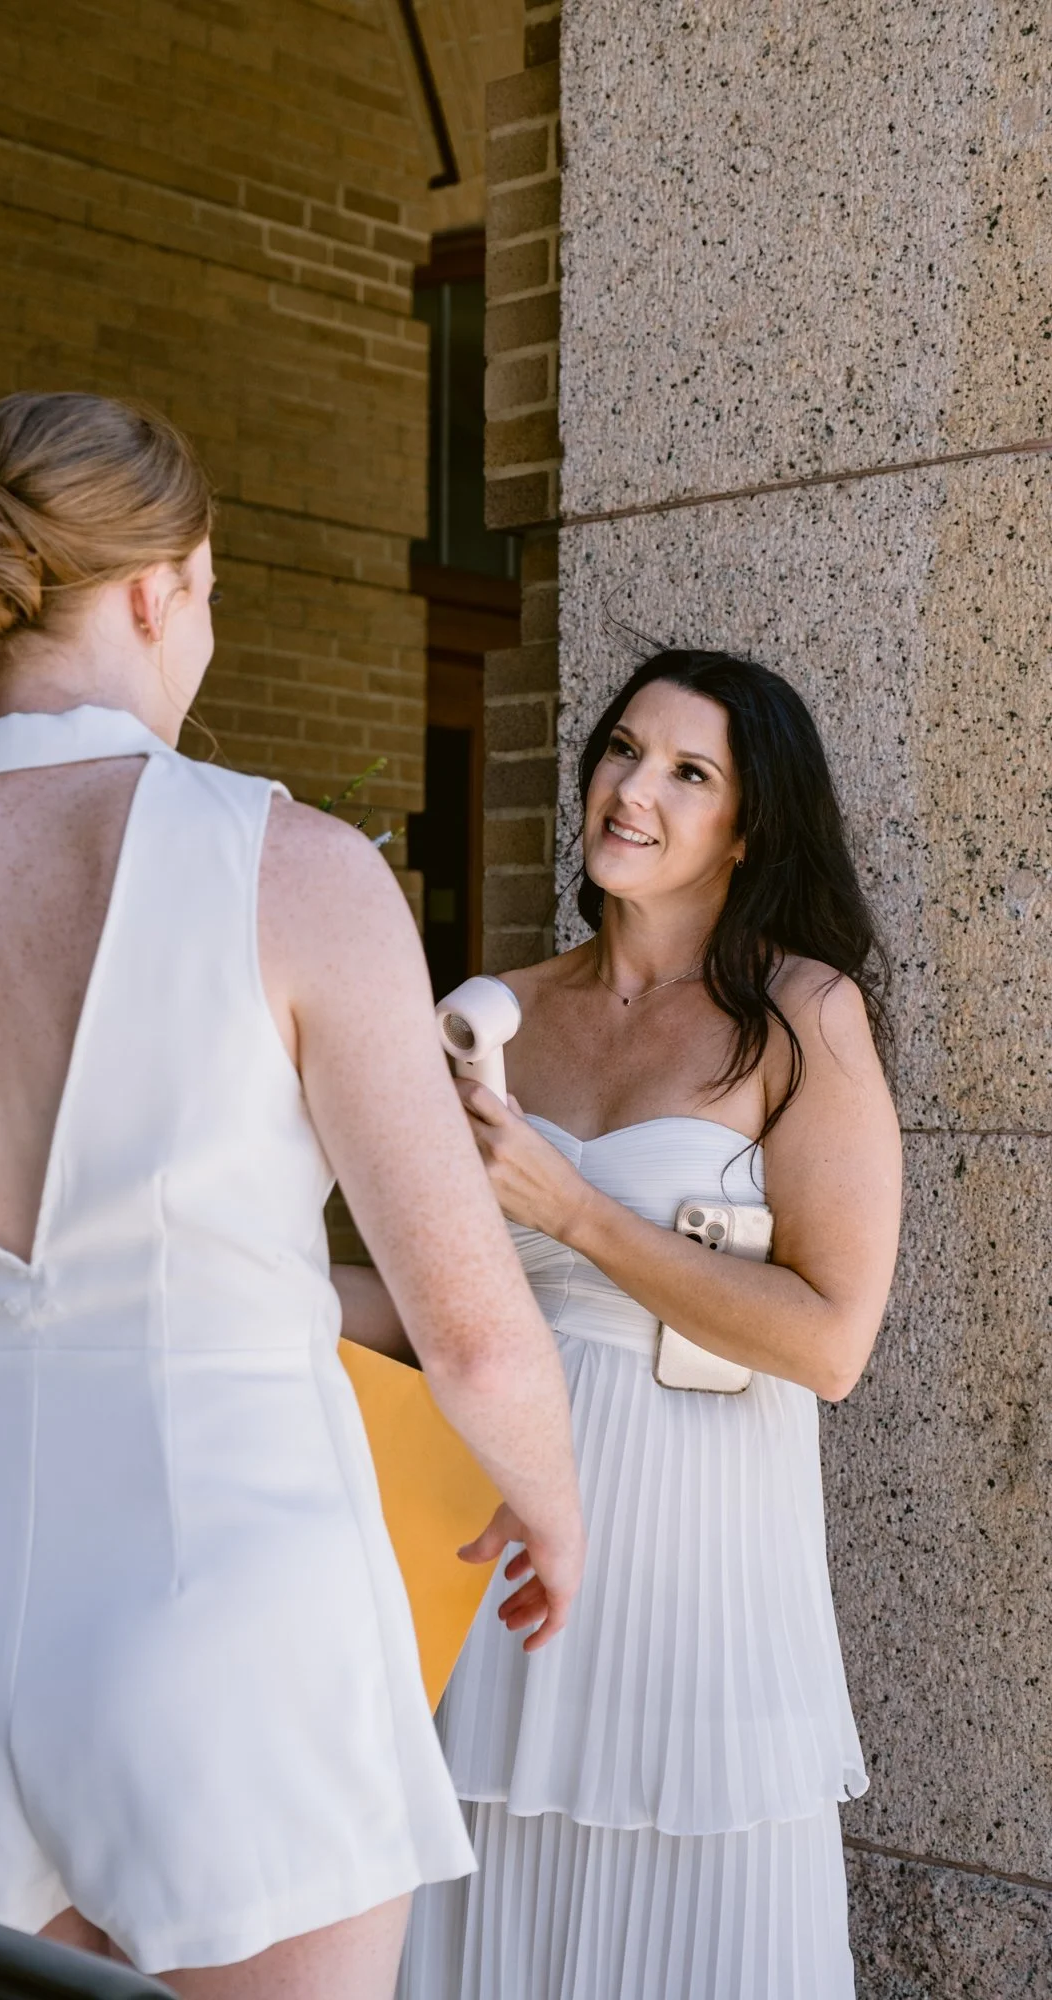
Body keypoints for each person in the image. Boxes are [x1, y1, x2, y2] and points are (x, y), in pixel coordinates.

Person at [0, 390, 585, 2000]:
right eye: (211, 592)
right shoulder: (288, 866)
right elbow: (471, 1332)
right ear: (162, 584)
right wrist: (554, 1515)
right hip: (236, 1604)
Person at [346, 648, 901, 1998]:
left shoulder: (804, 1018)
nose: (632, 790)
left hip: (704, 1566)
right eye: (620, 751)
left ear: (746, 823)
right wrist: (226, 1283)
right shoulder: (499, 1012)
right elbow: (432, 1303)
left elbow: (831, 1341)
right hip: (503, 1547)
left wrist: (577, 1208)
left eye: (687, 771)